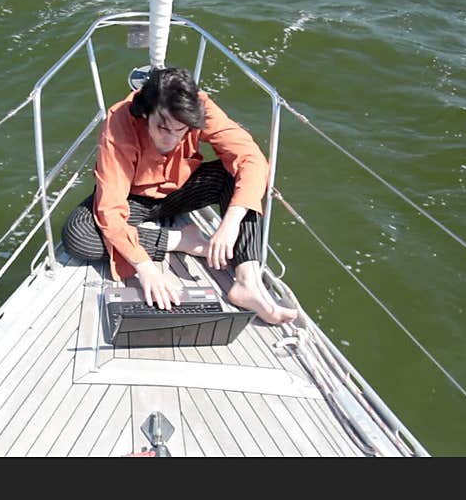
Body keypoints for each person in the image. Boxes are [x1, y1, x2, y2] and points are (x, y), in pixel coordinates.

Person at [62, 67, 297, 325]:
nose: (172, 139)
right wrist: (145, 268)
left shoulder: (200, 107)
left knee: (239, 177)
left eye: (181, 130)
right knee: (78, 234)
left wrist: (230, 222)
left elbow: (250, 157)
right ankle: (183, 240)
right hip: (134, 198)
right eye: (163, 127)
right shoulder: (119, 123)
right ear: (146, 113)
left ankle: (247, 281)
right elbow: (111, 209)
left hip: (182, 189)